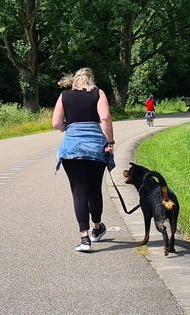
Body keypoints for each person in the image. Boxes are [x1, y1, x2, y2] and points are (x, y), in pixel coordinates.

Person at [51, 67, 115, 252]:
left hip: (72, 149)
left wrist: (68, 126)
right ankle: (97, 228)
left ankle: (84, 238)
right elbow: (105, 117)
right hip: (96, 148)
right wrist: (109, 142)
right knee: (94, 189)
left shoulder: (64, 96)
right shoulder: (98, 93)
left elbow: (56, 123)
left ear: (75, 81)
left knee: (78, 191)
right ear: (91, 80)